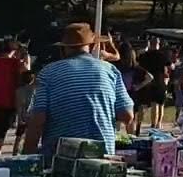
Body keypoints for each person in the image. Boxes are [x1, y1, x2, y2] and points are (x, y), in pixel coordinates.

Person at [22, 24, 134, 160]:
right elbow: (127, 115)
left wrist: (27, 157)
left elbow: (38, 119)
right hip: (102, 156)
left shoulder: (48, 73)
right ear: (92, 46)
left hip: (60, 156)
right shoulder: (110, 71)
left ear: (63, 48)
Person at [0, 42, 25, 153]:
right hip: (11, 99)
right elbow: (27, 72)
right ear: (13, 51)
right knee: (3, 128)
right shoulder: (15, 63)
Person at [115, 43, 153, 133]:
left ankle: (118, 137)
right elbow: (150, 77)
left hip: (122, 93)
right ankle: (130, 137)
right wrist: (138, 86)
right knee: (130, 118)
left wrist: (138, 86)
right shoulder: (135, 68)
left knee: (117, 118)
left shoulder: (118, 66)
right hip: (130, 94)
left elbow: (150, 77)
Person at [136, 38, 171, 130]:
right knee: (159, 104)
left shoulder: (144, 56)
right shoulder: (162, 56)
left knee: (145, 104)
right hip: (159, 80)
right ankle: (157, 124)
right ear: (158, 44)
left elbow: (138, 65)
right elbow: (170, 66)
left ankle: (139, 124)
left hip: (146, 82)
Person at [13, 70, 36, 154]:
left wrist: (19, 118)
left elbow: (19, 105)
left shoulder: (18, 91)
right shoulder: (35, 90)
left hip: (22, 115)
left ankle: (15, 152)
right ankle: (27, 151)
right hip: (31, 116)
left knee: (19, 136)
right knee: (30, 136)